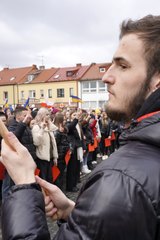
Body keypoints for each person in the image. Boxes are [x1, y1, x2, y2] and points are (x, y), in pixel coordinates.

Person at [1, 14, 160, 239]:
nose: (107, 77)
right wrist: (76, 212)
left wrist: (25, 185)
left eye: (123, 65)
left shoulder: (121, 179)